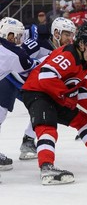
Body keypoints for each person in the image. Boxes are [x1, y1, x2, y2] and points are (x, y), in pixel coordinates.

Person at [21, 26, 87, 185]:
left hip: (57, 95)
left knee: (83, 121)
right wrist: (66, 95)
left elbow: (84, 95)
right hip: (37, 91)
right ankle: (46, 167)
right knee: (47, 127)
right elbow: (46, 75)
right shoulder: (68, 55)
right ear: (81, 45)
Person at [0, 17, 76, 163]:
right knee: (0, 113)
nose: (69, 39)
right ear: (56, 33)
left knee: (43, 105)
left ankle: (28, 141)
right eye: (67, 34)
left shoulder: (64, 50)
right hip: (10, 79)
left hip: (29, 84)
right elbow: (18, 59)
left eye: (72, 35)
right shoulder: (37, 43)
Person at [0, 17, 37, 171]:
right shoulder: (15, 53)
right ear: (9, 35)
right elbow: (31, 68)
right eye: (18, 36)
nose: (20, 39)